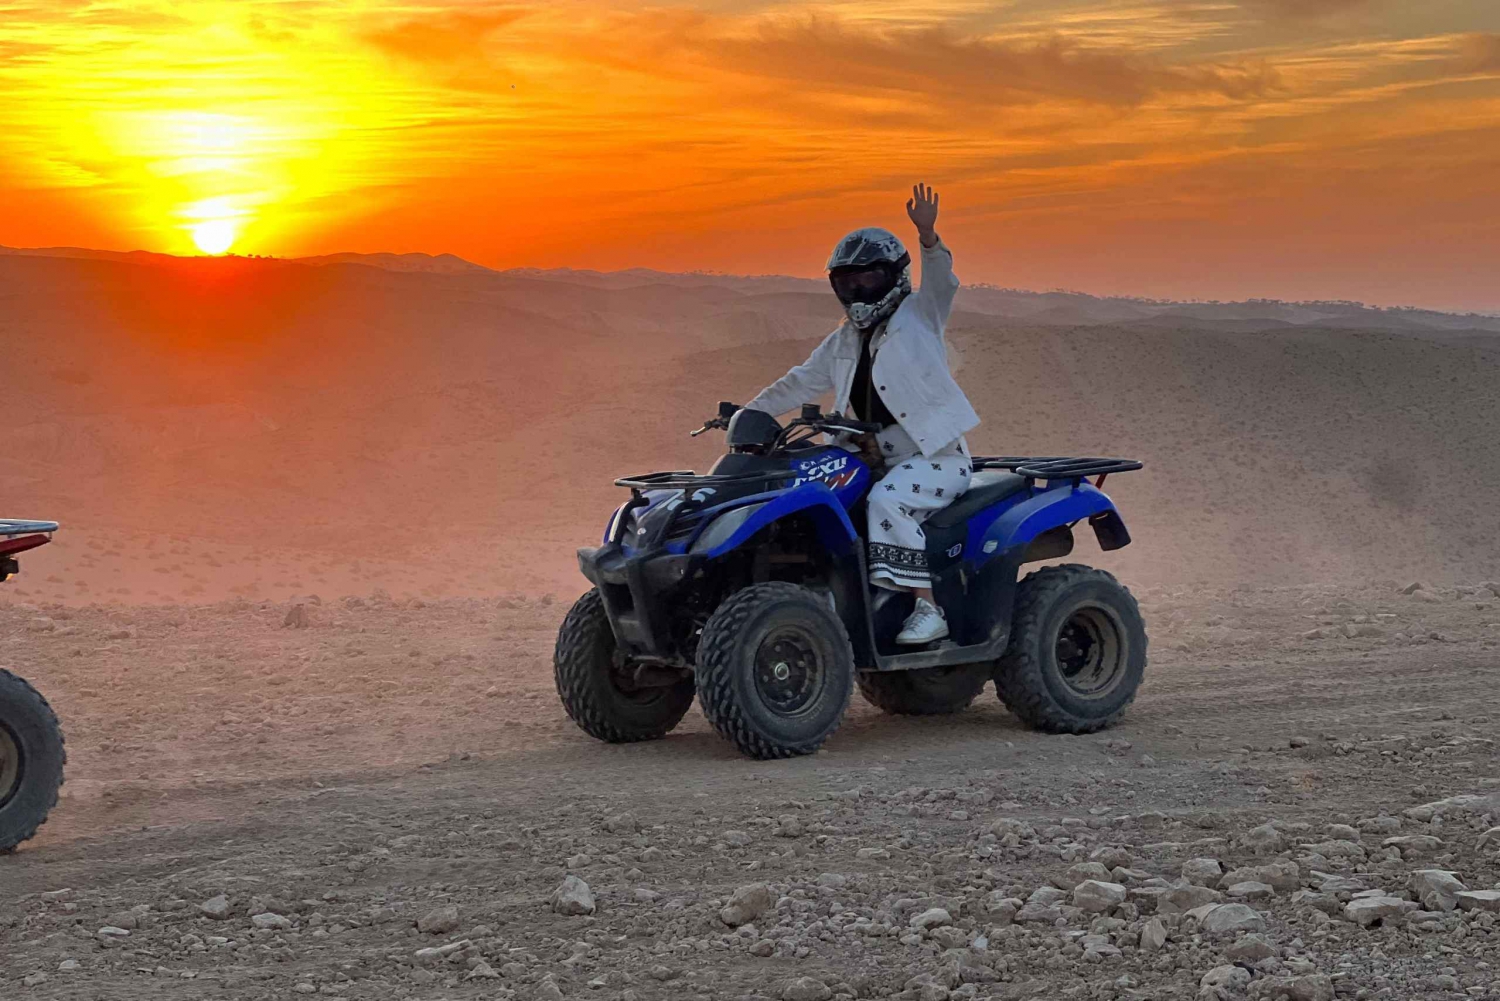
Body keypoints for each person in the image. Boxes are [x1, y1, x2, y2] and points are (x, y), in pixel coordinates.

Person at [744, 183, 979, 644]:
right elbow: (799, 381)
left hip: (937, 458)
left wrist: (928, 236)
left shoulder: (919, 315)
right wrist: (750, 412)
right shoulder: (844, 339)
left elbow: (942, 281)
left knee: (886, 501)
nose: (856, 289)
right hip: (868, 455)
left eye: (867, 278)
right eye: (847, 281)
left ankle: (928, 609)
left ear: (892, 275)